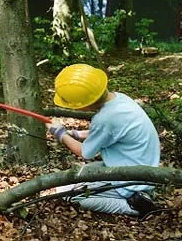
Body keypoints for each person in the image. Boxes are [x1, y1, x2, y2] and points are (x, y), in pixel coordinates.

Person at [46, 63, 160, 217]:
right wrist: (77, 134)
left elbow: (84, 152)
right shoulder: (119, 99)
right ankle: (136, 195)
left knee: (75, 196)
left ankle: (136, 206)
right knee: (70, 181)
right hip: (141, 167)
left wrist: (60, 134)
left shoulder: (105, 118)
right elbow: (109, 131)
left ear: (85, 104)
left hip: (130, 180)